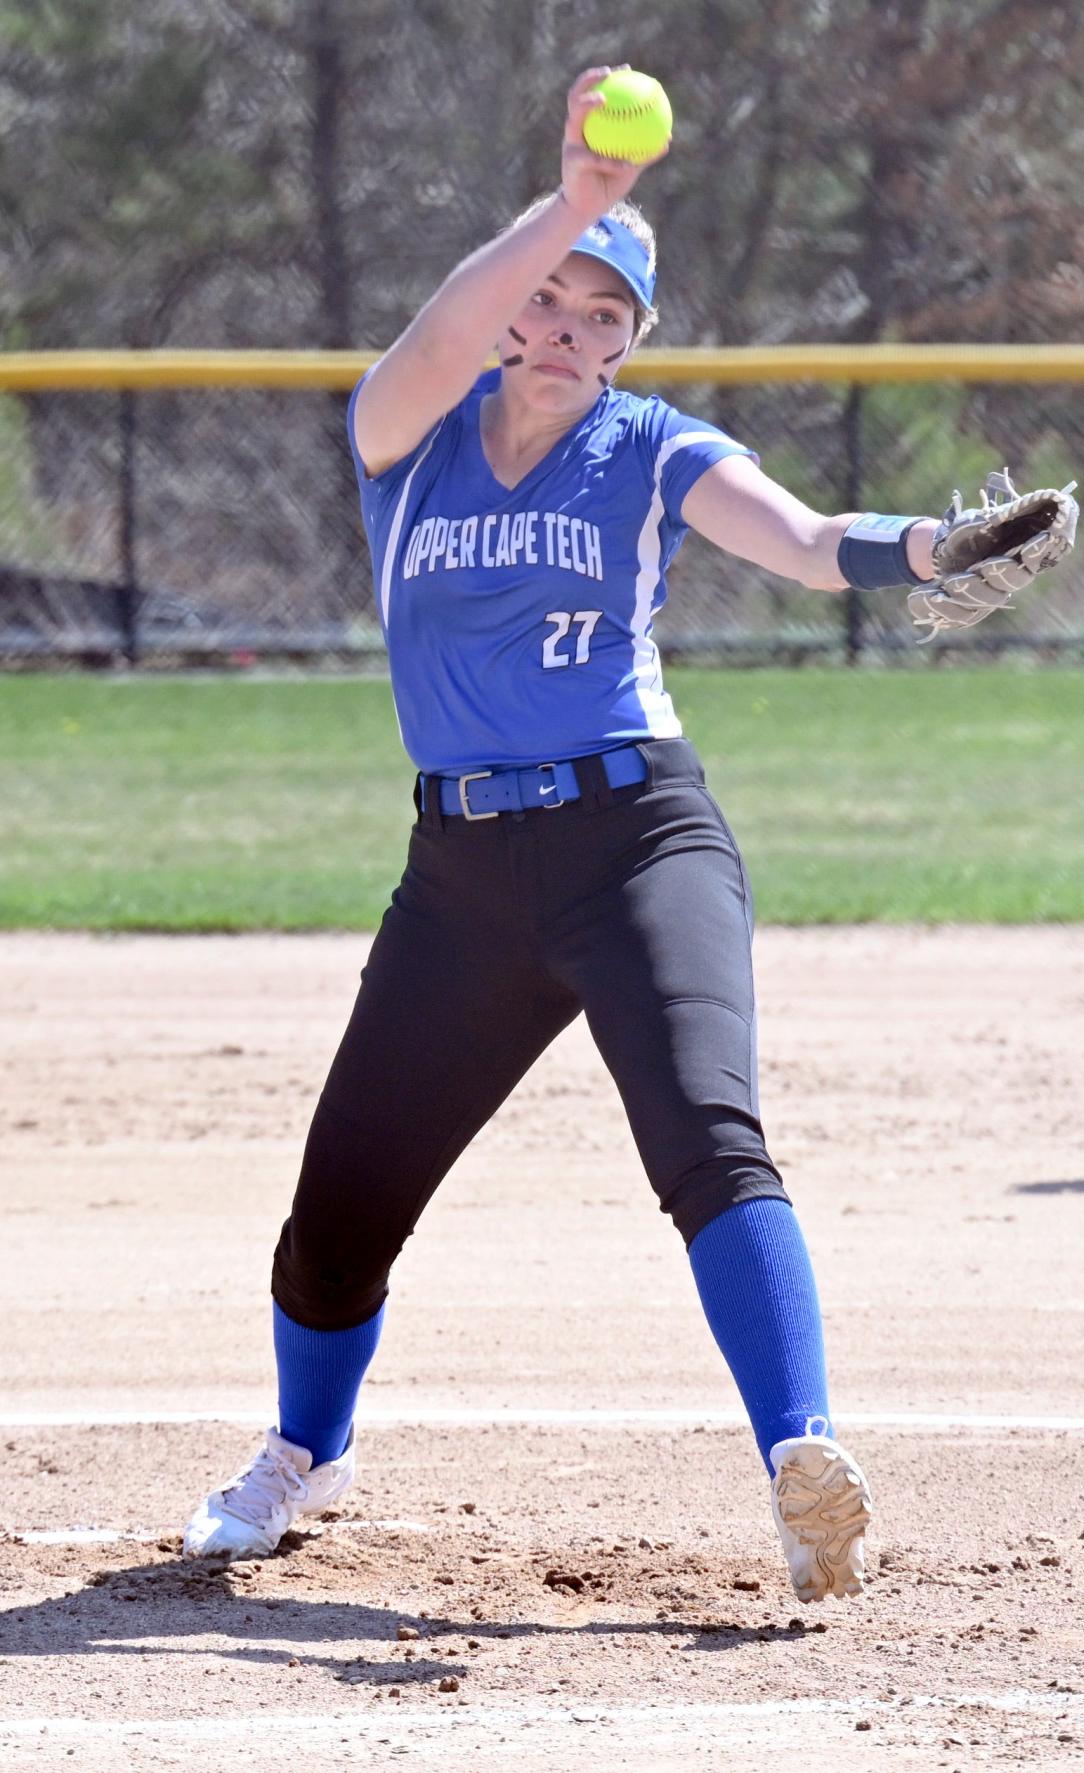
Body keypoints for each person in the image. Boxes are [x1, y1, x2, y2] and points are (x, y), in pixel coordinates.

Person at [183, 64, 948, 1604]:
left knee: (707, 1139)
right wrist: (577, 200)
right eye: (553, 297)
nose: (571, 329)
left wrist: (926, 547)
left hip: (635, 840)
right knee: (340, 1210)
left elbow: (800, 540)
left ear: (629, 345)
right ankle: (298, 1453)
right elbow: (443, 334)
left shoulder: (652, 448)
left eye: (607, 314)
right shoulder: (408, 433)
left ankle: (804, 1464)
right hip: (460, 875)